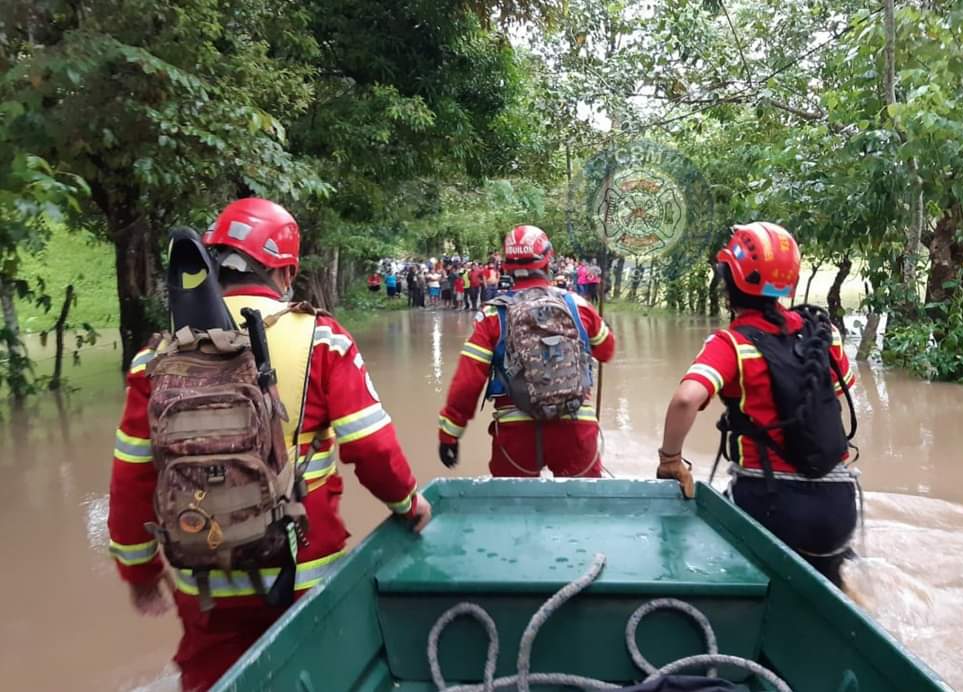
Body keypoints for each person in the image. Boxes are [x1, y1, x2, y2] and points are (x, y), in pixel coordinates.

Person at [107, 198, 432, 691]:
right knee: (318, 677)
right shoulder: (321, 338)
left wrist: (139, 571)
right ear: (286, 272)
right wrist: (409, 503)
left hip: (205, 576)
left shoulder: (157, 357)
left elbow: (131, 477)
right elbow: (372, 449)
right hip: (303, 569)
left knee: (213, 679)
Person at [656, 222, 858, 588]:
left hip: (769, 504)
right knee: (830, 591)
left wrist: (670, 459)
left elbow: (686, 399)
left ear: (728, 282)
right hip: (839, 507)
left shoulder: (731, 344)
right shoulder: (823, 334)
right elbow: (839, 390)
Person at [436, 225, 616, 477]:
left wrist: (450, 433)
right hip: (576, 427)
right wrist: (604, 327)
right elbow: (606, 351)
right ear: (548, 259)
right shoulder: (578, 306)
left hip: (515, 431)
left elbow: (468, 382)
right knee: (581, 501)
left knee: (513, 502)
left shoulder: (493, 315)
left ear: (506, 265)